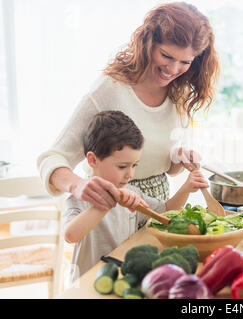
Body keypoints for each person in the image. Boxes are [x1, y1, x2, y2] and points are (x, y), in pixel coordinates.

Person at [37, 2, 219, 209]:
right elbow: (51, 159)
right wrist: (77, 185)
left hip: (157, 209)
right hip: (111, 210)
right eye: (166, 56)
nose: (173, 69)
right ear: (148, 43)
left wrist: (180, 158)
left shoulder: (179, 94)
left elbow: (167, 169)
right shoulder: (110, 89)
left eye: (185, 62)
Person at [64, 110, 208, 281]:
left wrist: (186, 188)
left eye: (134, 165)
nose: (130, 174)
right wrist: (107, 202)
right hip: (87, 283)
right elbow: (70, 235)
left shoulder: (132, 192)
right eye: (122, 166)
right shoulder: (80, 197)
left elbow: (165, 211)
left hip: (121, 278)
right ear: (93, 160)